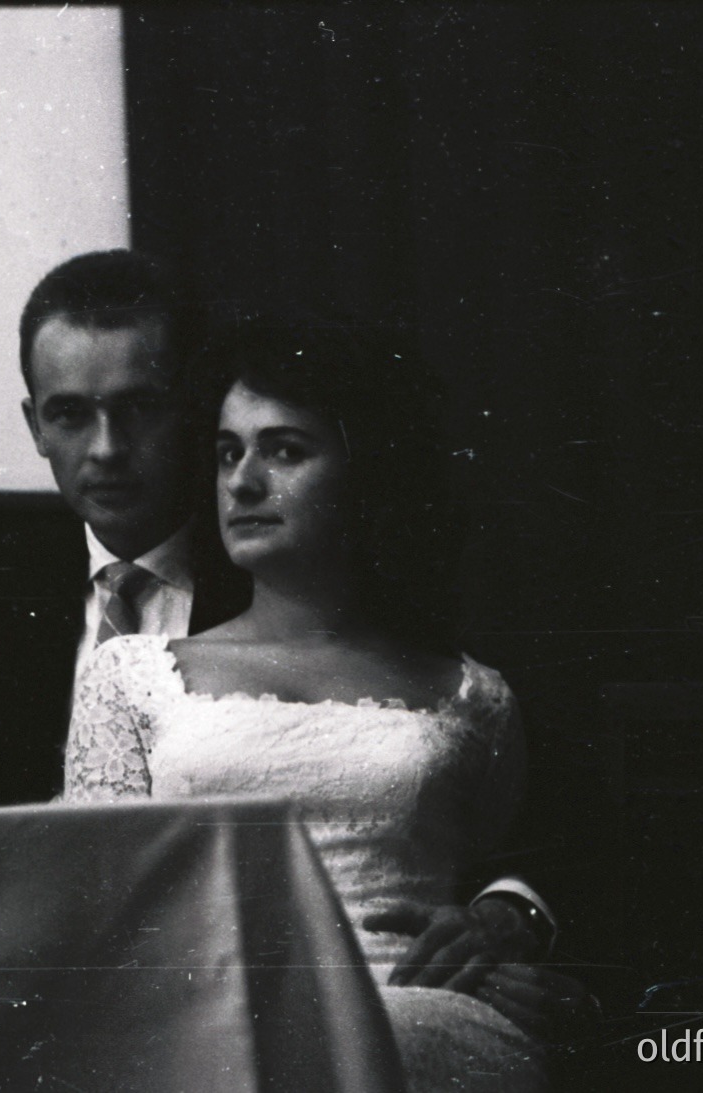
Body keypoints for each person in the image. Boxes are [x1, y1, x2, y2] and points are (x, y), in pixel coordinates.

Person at [64, 321, 583, 1089]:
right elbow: (99, 902)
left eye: (283, 450)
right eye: (227, 452)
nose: (240, 483)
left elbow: (527, 865)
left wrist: (503, 927)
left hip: (421, 1018)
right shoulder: (132, 674)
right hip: (208, 1020)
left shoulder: (472, 693)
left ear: (365, 470)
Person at [0, 250, 249, 805]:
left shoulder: (269, 581)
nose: (107, 449)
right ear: (36, 427)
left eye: (139, 408)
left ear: (194, 409)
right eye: (71, 415)